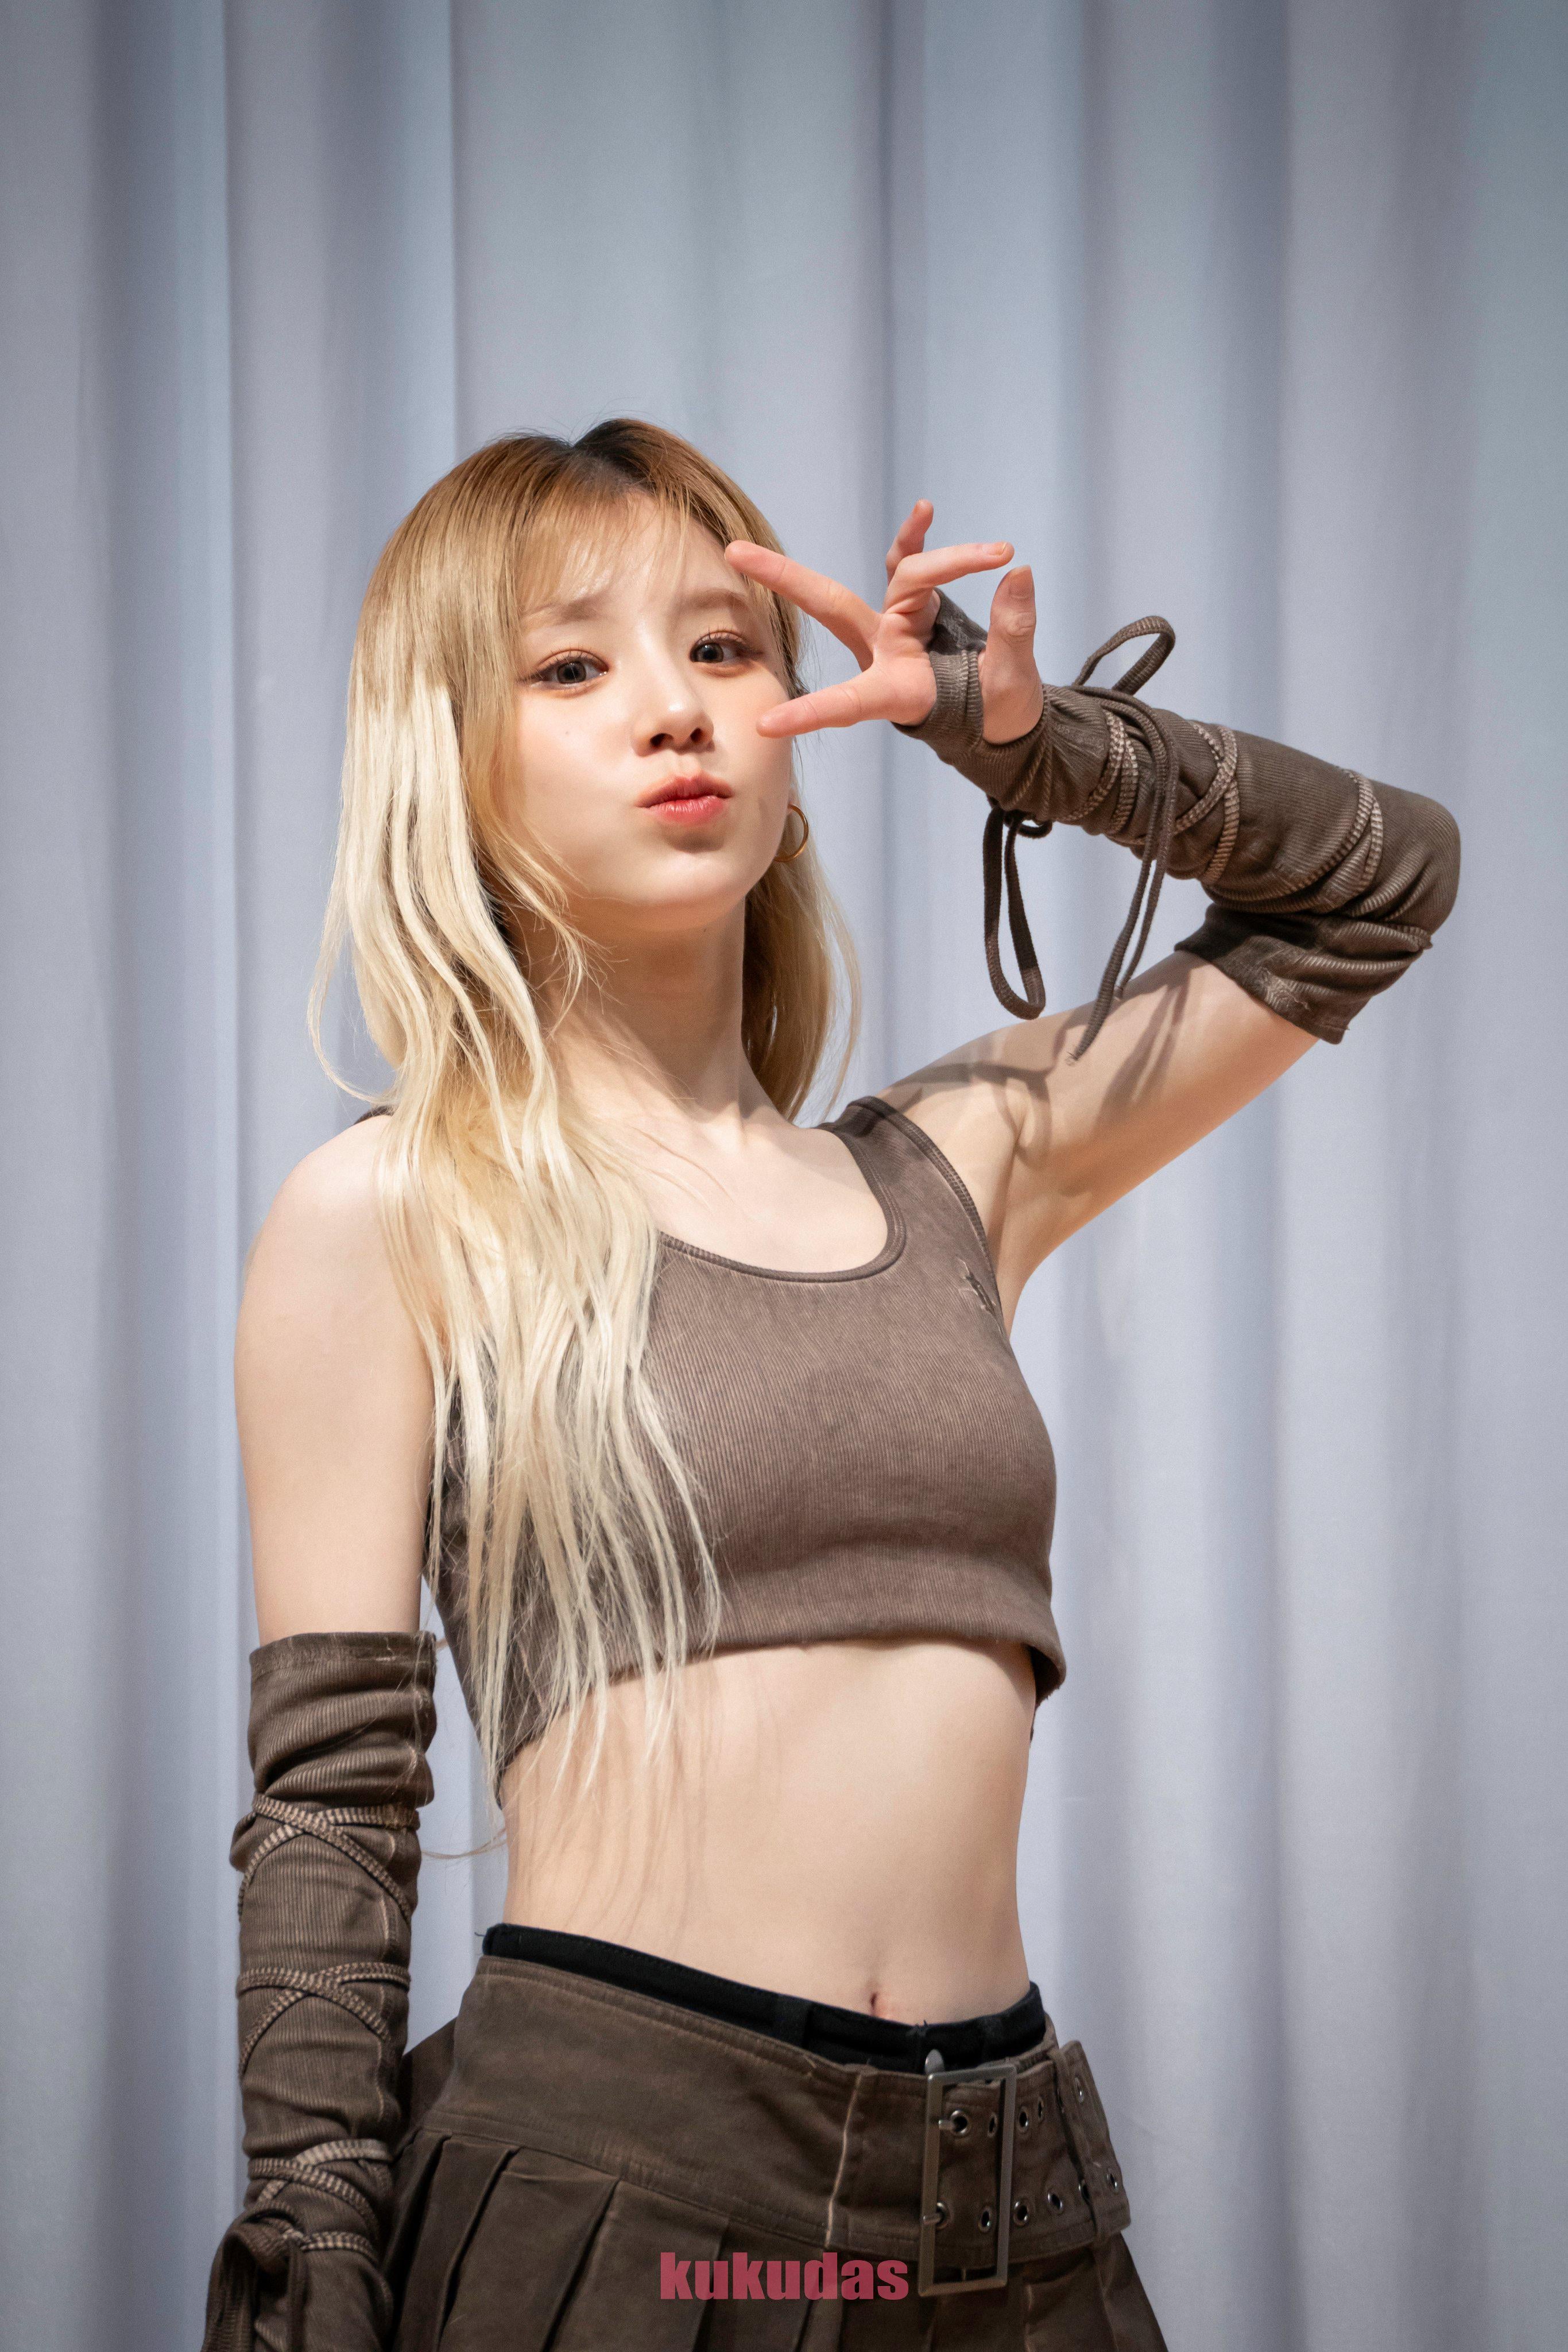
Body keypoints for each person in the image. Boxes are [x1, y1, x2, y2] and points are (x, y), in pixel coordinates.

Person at [200, 419, 1460, 2351]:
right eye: (569, 666)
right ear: (447, 759)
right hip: (633, 2197)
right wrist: (314, 2263)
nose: (675, 709)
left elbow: (1379, 884)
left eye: (723, 648)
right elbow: (331, 1810)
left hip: (1012, 2208)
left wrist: (1027, 743)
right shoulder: (392, 1209)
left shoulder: (956, 1163)